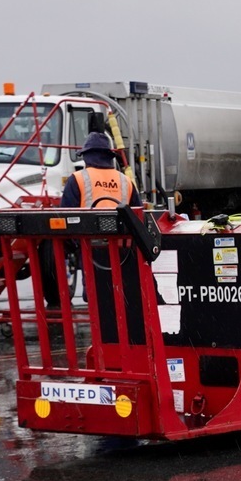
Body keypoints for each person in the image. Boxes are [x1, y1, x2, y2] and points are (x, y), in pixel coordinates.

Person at [60, 131, 145, 342]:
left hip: (92, 249)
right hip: (125, 250)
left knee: (98, 298)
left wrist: (74, 246)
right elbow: (138, 215)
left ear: (86, 156)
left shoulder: (77, 179)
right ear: (109, 156)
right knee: (125, 296)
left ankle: (105, 345)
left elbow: (65, 218)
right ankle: (127, 343)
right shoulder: (125, 180)